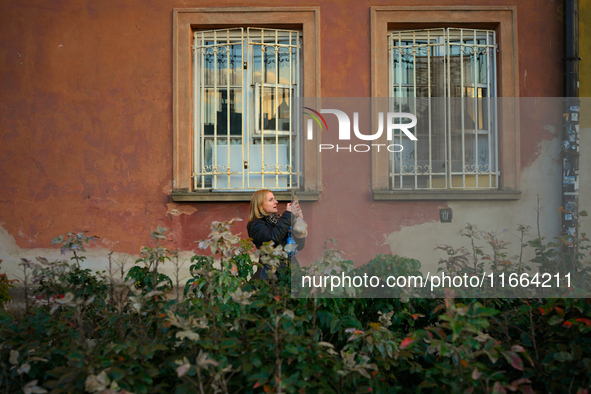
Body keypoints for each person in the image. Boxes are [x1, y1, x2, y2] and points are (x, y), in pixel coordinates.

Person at [247, 189, 306, 279]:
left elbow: (299, 246)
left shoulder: (280, 221)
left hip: (291, 270)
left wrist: (299, 223)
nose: (276, 202)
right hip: (271, 274)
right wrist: (289, 215)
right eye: (271, 200)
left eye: (275, 199)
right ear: (260, 205)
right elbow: (272, 238)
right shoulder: (256, 224)